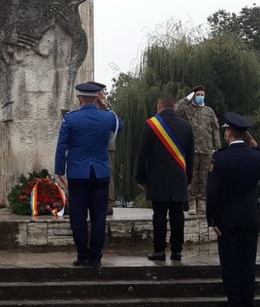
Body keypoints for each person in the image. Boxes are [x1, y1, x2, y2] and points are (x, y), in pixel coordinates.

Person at [0, 0, 88, 176]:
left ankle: (49, 187)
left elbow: (80, 42)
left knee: (50, 132)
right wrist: (8, 35)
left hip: (53, 77)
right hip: (19, 75)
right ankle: (25, 187)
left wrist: (69, 23)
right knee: (23, 132)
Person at [207, 112, 260, 307]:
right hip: (249, 216)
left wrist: (212, 219)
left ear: (228, 132)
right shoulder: (256, 157)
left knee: (231, 263)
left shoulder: (220, 158)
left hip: (227, 219)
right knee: (248, 263)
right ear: (246, 134)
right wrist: (258, 149)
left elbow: (213, 191)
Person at [54, 82, 122, 267]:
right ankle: (96, 256)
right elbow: (120, 125)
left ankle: (82, 255)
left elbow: (62, 146)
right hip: (100, 173)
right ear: (96, 98)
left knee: (78, 216)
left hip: (78, 173)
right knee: (99, 216)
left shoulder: (70, 119)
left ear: (79, 99)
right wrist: (106, 107)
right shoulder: (108, 117)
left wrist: (60, 170)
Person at [135, 93, 195, 262]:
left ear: (159, 107)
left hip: (157, 179)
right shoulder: (186, 126)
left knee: (159, 216)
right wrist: (188, 179)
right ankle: (177, 251)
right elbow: (191, 156)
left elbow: (142, 154)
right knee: (178, 215)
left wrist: (141, 178)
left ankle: (159, 251)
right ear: (174, 106)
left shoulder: (151, 125)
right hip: (179, 178)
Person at [175, 84, 222, 214]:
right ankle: (192, 203)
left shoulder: (209, 111)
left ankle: (202, 202)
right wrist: (187, 98)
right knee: (192, 176)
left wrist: (217, 148)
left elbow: (215, 129)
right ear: (193, 96)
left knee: (204, 177)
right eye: (197, 95)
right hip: (192, 149)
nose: (200, 97)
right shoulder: (187, 109)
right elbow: (175, 109)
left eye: (202, 95)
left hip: (207, 149)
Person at [89, 80, 118, 214]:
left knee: (107, 174)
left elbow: (113, 121)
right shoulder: (90, 105)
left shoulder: (106, 106)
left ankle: (109, 202)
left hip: (107, 146)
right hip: (94, 145)